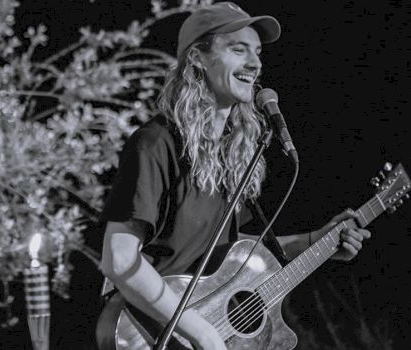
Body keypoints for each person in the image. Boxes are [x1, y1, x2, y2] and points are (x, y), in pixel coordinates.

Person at [99, 2, 371, 349]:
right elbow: (119, 259)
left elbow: (227, 258)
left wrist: (317, 240)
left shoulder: (232, 153)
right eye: (238, 49)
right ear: (197, 57)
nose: (255, 64)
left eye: (257, 52)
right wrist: (200, 330)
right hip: (150, 333)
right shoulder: (156, 144)